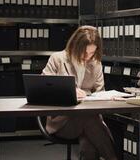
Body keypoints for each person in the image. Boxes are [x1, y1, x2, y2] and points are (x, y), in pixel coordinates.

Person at [42, 26, 118, 160]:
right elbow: (43, 88)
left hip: (89, 120)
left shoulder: (96, 64)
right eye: (84, 52)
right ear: (75, 45)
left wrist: (93, 97)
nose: (87, 57)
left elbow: (100, 93)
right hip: (62, 122)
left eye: (92, 53)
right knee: (89, 120)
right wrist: (68, 92)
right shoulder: (57, 59)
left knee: (89, 144)